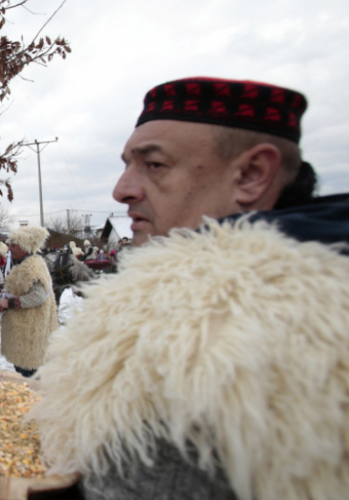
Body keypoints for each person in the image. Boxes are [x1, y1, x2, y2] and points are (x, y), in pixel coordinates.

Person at [35, 77, 349, 500]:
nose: (121, 189)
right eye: (127, 163)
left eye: (155, 164)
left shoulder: (221, 335)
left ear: (251, 175)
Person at [0, 226, 57, 378]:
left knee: (31, 375)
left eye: (13, 245)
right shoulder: (26, 264)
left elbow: (37, 297)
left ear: (24, 247)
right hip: (25, 334)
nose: (9, 248)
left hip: (30, 335)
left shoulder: (33, 267)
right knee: (25, 371)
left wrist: (8, 303)